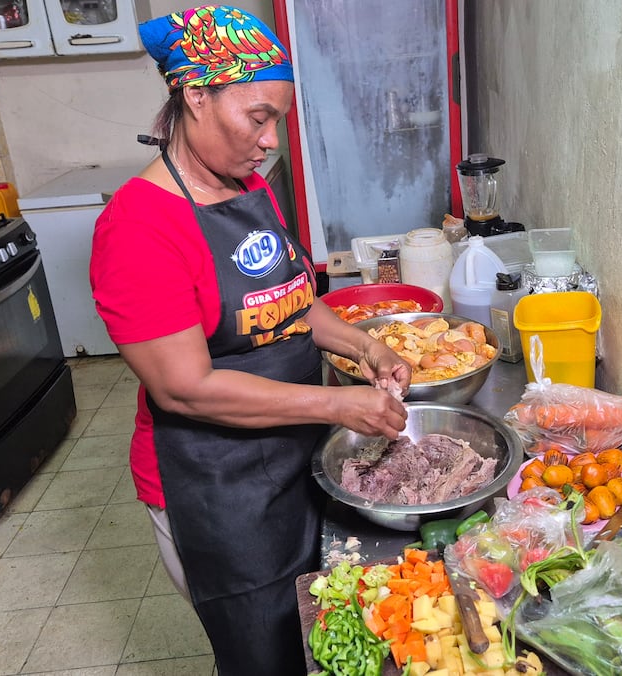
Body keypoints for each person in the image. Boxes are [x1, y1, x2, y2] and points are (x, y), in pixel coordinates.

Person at [89, 6, 411, 673]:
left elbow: (292, 303)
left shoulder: (249, 187)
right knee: (262, 653)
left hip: (294, 455)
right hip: (216, 485)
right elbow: (186, 388)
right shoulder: (139, 228)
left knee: (314, 634)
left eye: (279, 123)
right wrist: (337, 407)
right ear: (196, 94)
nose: (269, 141)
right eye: (257, 117)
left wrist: (365, 346)